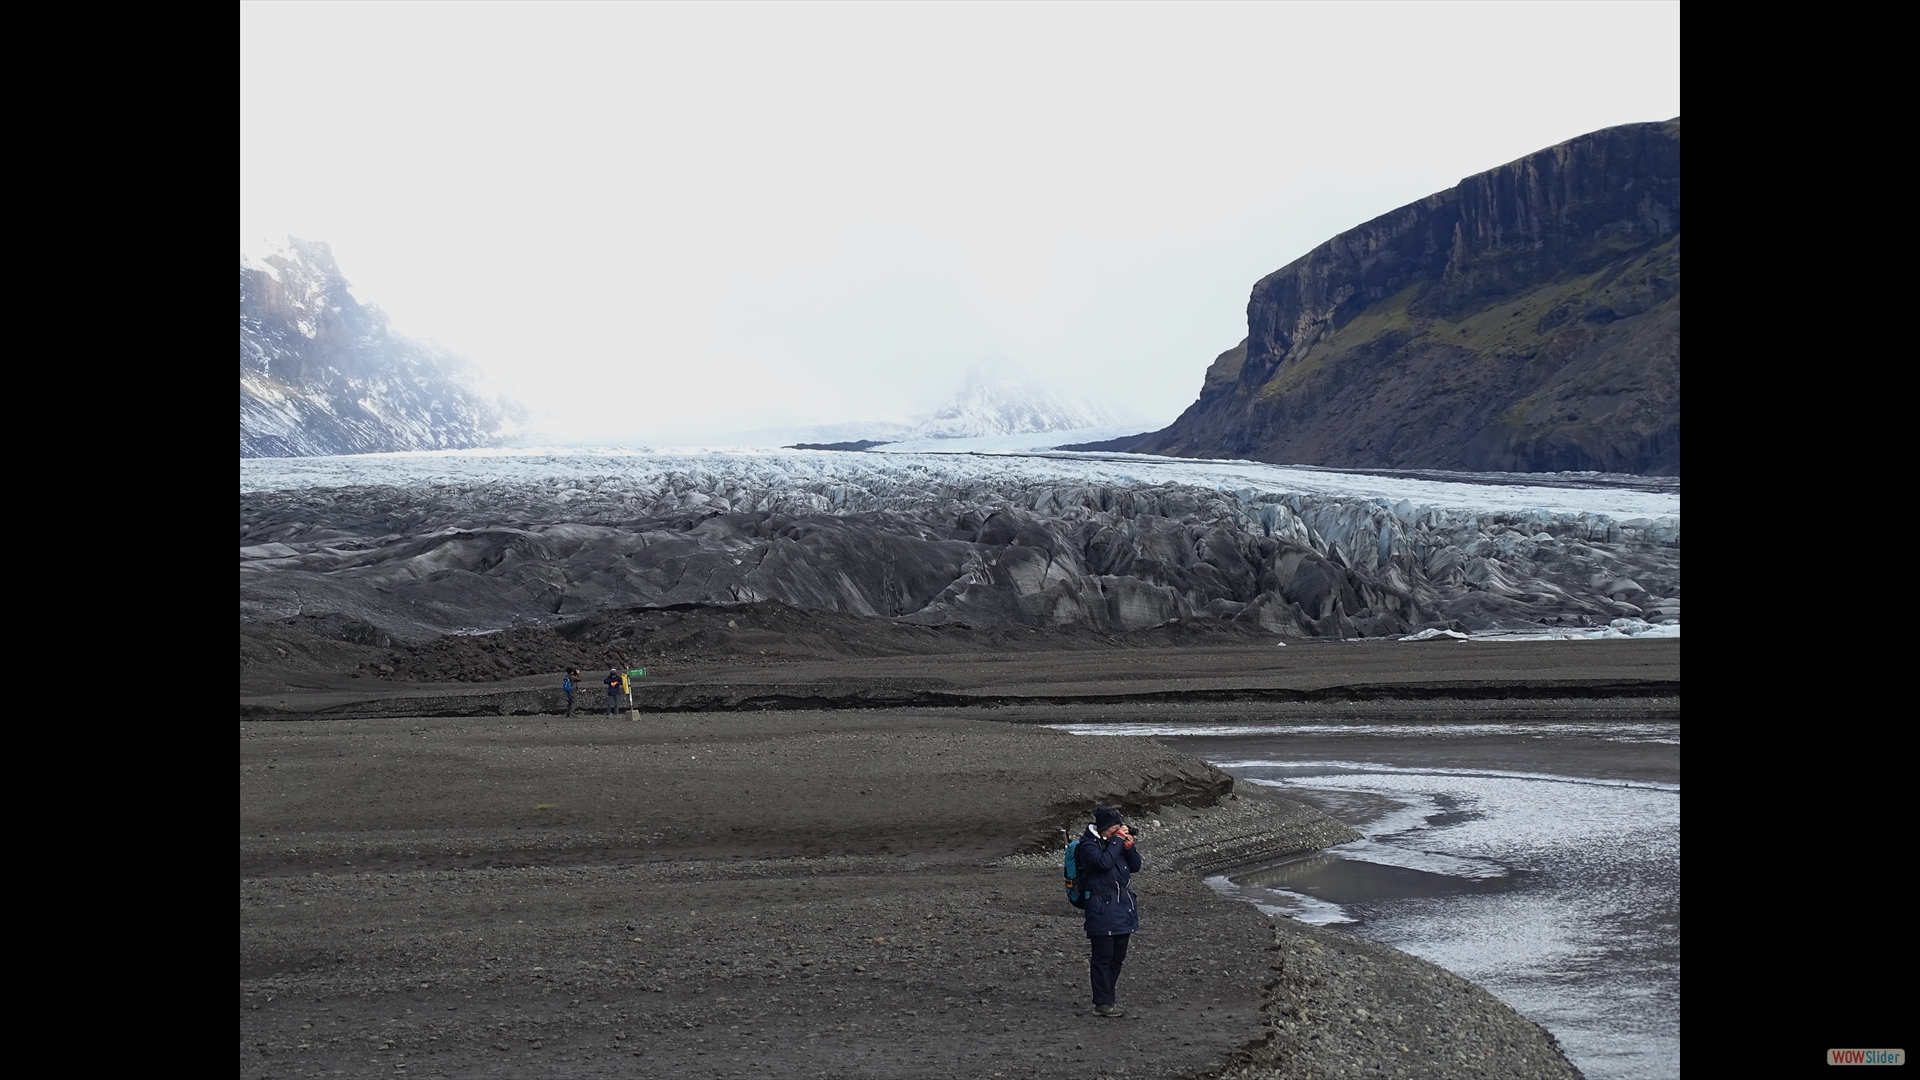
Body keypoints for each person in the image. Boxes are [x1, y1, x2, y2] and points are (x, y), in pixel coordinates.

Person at [1076, 805, 1141, 1017]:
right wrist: (1118, 840)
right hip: (1100, 908)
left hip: (1122, 907)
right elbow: (1103, 863)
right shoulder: (1087, 845)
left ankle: (1107, 997)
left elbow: (1135, 866)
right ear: (1103, 828)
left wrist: (1129, 847)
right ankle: (1103, 1003)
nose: (1118, 833)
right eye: (1114, 829)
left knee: (1117, 957)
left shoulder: (1115, 843)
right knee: (1102, 957)